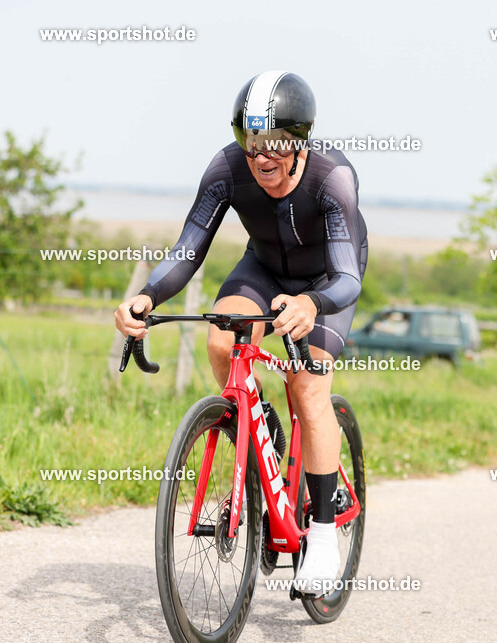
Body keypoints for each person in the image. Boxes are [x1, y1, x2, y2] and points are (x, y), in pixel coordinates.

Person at [114, 71, 369, 593]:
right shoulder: (226, 169)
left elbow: (347, 279)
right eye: (252, 144)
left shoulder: (331, 178)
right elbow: (189, 248)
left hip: (325, 282)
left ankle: (322, 536)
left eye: (275, 144)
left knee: (307, 385)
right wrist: (147, 295)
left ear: (299, 142)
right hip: (264, 268)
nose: (262, 158)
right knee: (220, 339)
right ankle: (263, 431)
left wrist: (311, 303)